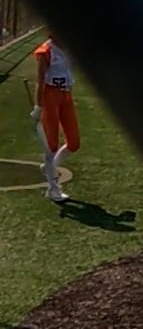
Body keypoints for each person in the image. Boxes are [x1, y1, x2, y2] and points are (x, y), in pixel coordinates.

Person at [32, 35, 79, 203]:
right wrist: (38, 107)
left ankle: (49, 168)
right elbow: (40, 81)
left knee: (74, 143)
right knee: (51, 146)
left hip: (66, 95)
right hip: (50, 96)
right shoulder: (46, 51)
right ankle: (53, 188)